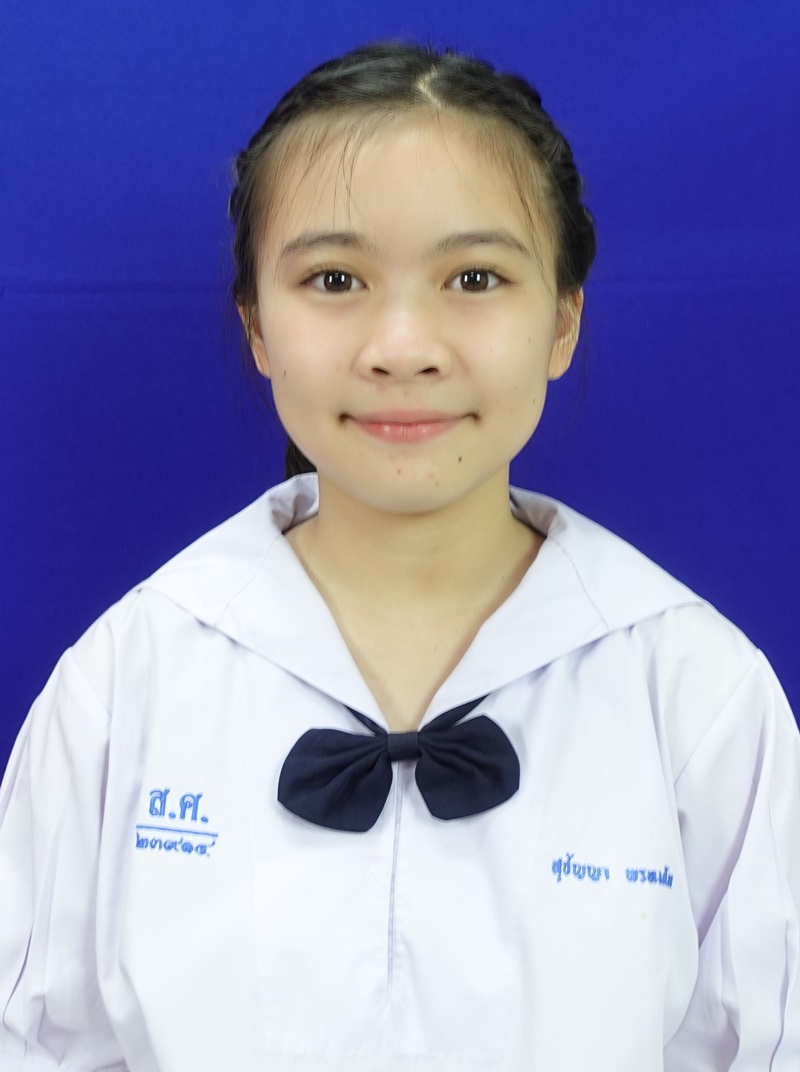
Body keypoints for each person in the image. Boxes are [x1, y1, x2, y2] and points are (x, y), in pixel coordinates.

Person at [0, 39, 798, 1072]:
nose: (402, 346)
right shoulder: (126, 683)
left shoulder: (694, 691)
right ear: (257, 325)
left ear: (562, 320)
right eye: (334, 279)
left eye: (475, 277)